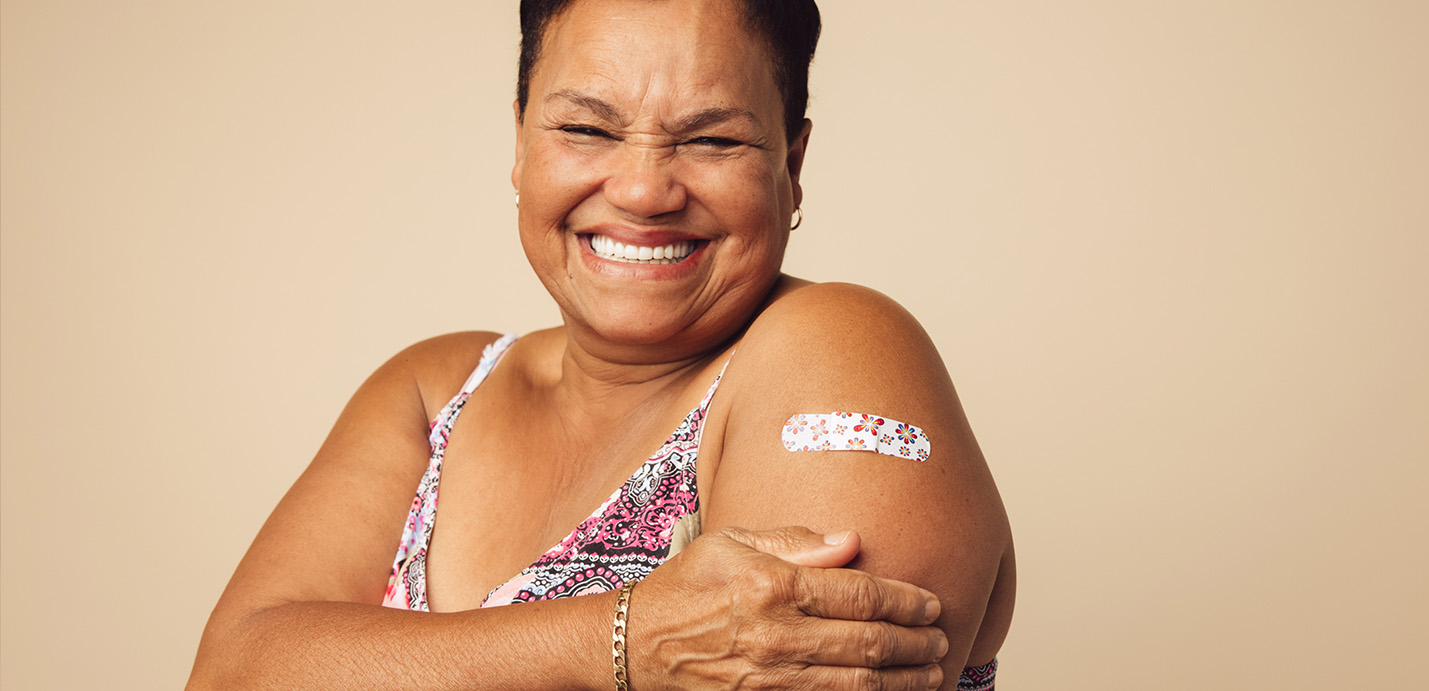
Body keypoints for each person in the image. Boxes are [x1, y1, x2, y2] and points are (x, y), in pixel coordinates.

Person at [188, 0, 1016, 688]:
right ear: (520, 142)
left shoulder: (838, 350)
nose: (642, 189)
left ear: (792, 164)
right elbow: (233, 669)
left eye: (713, 139)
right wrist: (620, 638)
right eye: (586, 128)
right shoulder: (436, 389)